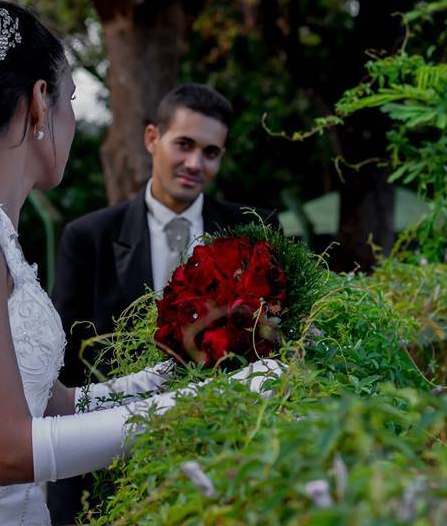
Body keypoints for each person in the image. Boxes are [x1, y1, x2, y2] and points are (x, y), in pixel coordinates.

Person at [0, 0, 282, 526]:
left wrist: (181, 371)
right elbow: (9, 452)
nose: (71, 120)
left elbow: (52, 406)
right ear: (40, 103)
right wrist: (215, 403)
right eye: (69, 99)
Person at [48, 84, 278, 522]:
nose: (195, 163)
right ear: (153, 138)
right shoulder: (88, 238)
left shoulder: (255, 232)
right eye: (185, 144)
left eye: (211, 152)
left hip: (227, 465)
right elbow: (67, 370)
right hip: (115, 472)